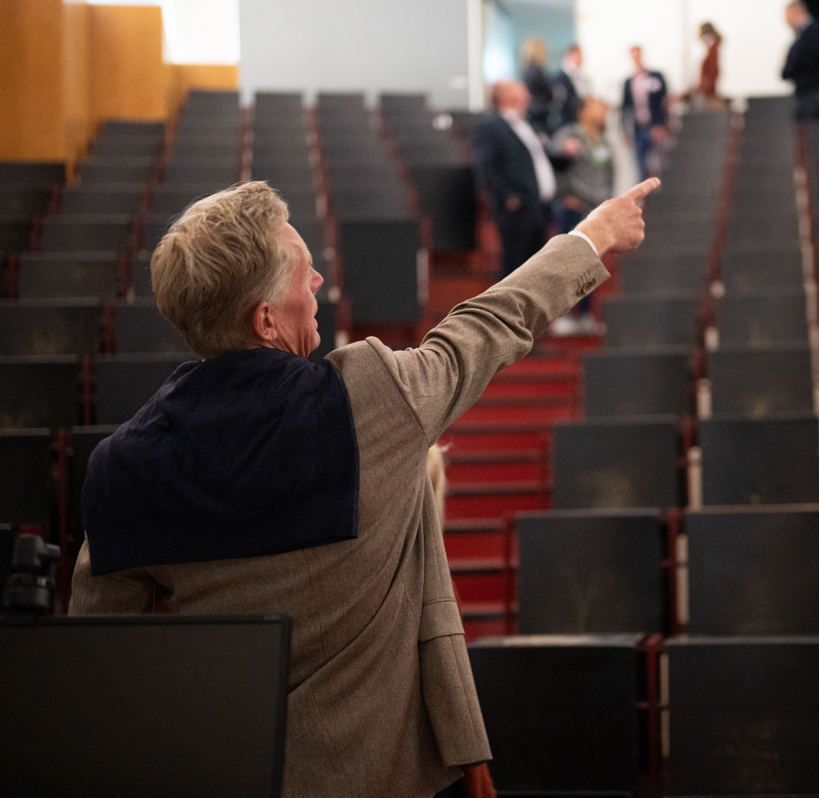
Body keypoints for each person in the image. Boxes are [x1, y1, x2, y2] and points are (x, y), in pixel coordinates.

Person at [69, 176, 660, 798]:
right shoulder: (368, 402)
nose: (319, 281)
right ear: (266, 319)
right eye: (303, 271)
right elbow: (490, 323)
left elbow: (104, 665)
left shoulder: (122, 467)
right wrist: (593, 237)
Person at [473, 80, 560, 280]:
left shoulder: (528, 125)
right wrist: (508, 197)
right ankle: (507, 311)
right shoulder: (492, 126)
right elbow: (485, 168)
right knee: (515, 270)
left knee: (536, 270)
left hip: (539, 208)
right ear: (505, 96)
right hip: (517, 209)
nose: (526, 91)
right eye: (518, 88)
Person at [547, 96, 615, 335]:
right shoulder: (569, 133)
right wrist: (564, 194)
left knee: (590, 265)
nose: (604, 111)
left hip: (595, 211)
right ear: (584, 111)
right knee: (568, 264)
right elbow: (553, 162)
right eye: (599, 106)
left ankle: (585, 314)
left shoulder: (603, 140)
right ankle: (563, 315)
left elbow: (609, 174)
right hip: (573, 206)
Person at [782, 1, 819, 119]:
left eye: (787, 16)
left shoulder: (816, 33)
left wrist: (795, 67)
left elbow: (804, 60)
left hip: (817, 94)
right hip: (808, 93)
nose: (786, 20)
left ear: (797, 12)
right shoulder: (803, 36)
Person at [621, 45, 669, 181]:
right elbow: (625, 108)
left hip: (653, 126)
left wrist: (661, 124)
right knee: (639, 167)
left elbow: (664, 102)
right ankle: (643, 200)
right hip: (637, 128)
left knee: (657, 165)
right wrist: (625, 131)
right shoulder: (628, 82)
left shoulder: (655, 76)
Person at [549, 43, 589, 133]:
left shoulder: (577, 76)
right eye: (580, 56)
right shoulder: (560, 78)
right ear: (573, 55)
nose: (582, 59)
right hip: (566, 124)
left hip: (576, 122)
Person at [520, 38, 554, 136]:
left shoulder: (527, 70)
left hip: (532, 110)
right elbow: (546, 93)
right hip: (538, 113)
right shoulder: (537, 71)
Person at [694, 22, 723, 110]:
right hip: (707, 91)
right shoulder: (712, 50)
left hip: (708, 94)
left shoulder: (712, 51)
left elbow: (713, 73)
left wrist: (704, 89)